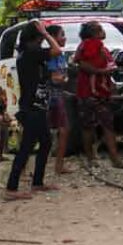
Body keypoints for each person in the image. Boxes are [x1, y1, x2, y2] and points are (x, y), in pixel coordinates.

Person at [3, 20, 62, 201]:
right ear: (36, 35)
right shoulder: (31, 52)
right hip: (32, 108)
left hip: (36, 106)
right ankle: (11, 188)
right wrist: (46, 34)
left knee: (45, 142)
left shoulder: (28, 53)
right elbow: (57, 50)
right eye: (42, 33)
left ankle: (37, 182)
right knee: (27, 146)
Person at [73, 21, 123, 169]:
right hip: (91, 91)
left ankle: (94, 158)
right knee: (102, 125)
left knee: (93, 125)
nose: (103, 31)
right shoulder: (92, 45)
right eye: (100, 29)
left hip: (94, 91)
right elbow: (83, 64)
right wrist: (101, 72)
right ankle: (111, 158)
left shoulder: (96, 47)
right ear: (94, 32)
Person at [44, 24, 72, 175]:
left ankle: (59, 166)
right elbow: (54, 78)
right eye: (62, 34)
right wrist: (62, 79)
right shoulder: (50, 54)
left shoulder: (60, 55)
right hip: (50, 97)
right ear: (53, 38)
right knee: (45, 131)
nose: (65, 37)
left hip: (58, 96)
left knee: (63, 129)